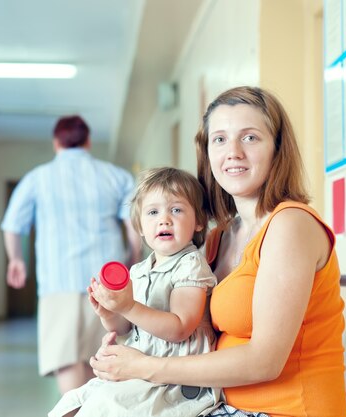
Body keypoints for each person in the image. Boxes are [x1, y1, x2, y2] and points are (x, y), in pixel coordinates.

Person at [90, 86, 346, 417]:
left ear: (277, 149)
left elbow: (265, 361)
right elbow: (185, 330)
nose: (233, 152)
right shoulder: (219, 238)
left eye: (251, 138)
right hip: (217, 405)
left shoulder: (290, 226)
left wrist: (146, 367)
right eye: (220, 139)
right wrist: (120, 329)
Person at [49, 167, 220, 417]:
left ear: (199, 222)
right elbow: (126, 328)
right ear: (139, 226)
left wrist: (128, 306)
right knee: (71, 403)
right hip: (138, 368)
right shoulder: (139, 270)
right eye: (153, 212)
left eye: (176, 209)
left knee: (102, 406)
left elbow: (180, 327)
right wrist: (111, 313)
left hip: (175, 380)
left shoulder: (190, 265)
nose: (164, 219)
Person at [1, 115, 143, 395]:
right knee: (101, 356)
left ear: (56, 143)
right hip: (106, 282)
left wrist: (16, 259)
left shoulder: (37, 178)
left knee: (65, 359)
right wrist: (132, 259)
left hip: (58, 280)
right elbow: (133, 225)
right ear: (88, 141)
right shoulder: (116, 176)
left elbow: (12, 225)